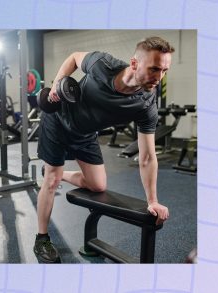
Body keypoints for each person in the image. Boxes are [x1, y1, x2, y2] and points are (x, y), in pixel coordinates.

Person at [34, 37, 173, 263]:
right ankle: (41, 238)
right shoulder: (103, 64)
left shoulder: (146, 104)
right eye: (154, 69)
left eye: (165, 70)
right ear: (135, 64)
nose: (159, 78)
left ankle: (59, 174)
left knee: (98, 185)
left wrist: (153, 200)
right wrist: (58, 84)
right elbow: (74, 58)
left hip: (86, 134)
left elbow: (147, 156)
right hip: (58, 121)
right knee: (51, 180)